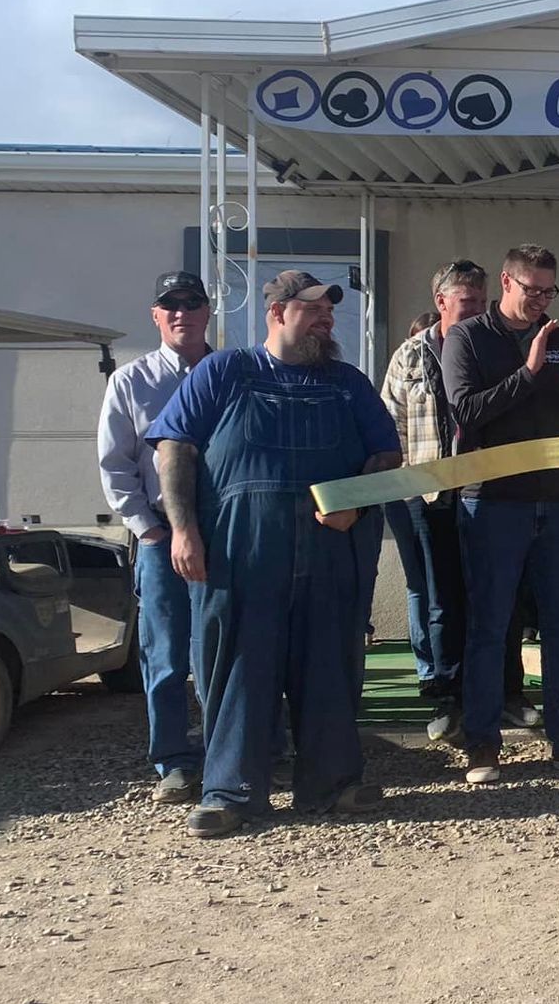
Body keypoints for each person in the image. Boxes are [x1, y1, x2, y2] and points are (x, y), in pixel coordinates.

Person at [149, 270, 402, 837]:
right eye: (313, 310)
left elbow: (387, 456)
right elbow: (174, 450)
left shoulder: (347, 383)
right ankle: (230, 793)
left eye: (329, 312)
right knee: (238, 666)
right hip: (241, 553)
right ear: (277, 313)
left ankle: (335, 784)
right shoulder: (224, 371)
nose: (326, 319)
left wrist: (356, 505)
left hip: (328, 548)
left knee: (328, 667)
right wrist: (184, 531)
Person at [442, 244, 559, 783]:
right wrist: (529, 371)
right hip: (492, 501)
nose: (541, 302)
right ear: (506, 282)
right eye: (532, 291)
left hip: (558, 500)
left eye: (549, 291)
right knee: (491, 625)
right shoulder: (468, 337)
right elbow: (466, 411)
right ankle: (482, 744)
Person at [96, 270, 212, 804]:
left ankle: (236, 750)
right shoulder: (131, 381)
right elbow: (115, 466)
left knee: (231, 649)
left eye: (192, 302)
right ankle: (174, 760)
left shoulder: (231, 373)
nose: (182, 312)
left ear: (208, 311)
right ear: (155, 315)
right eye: (171, 305)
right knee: (165, 654)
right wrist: (147, 530)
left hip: (227, 536)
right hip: (163, 541)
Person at [378, 263, 485, 709]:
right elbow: (392, 425)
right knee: (439, 594)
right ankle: (446, 689)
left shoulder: (491, 350)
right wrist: (406, 486)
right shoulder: (409, 356)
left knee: (486, 593)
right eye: (467, 303)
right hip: (427, 493)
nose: (476, 311)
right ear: (441, 302)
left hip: (484, 490)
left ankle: (488, 687)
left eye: (481, 303)